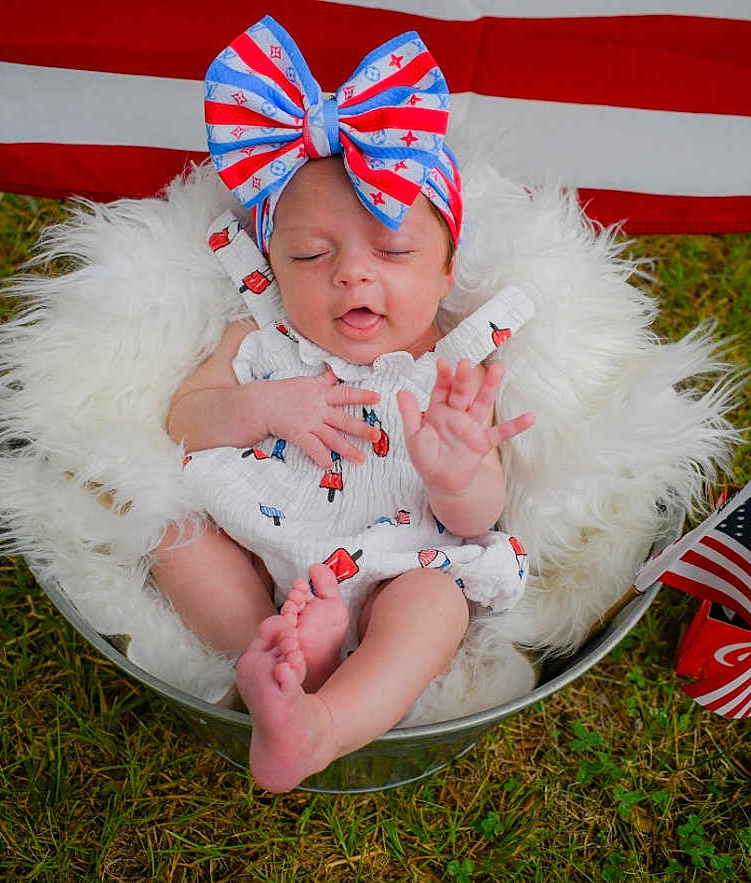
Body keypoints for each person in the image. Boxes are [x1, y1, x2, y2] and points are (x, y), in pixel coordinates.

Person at [151, 16, 535, 792]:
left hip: (397, 564)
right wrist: (261, 405)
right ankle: (274, 659)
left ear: (444, 272)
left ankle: (324, 722)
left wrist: (457, 474)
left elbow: (478, 516)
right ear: (271, 263)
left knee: (436, 603)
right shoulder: (261, 335)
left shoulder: (455, 365)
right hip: (261, 548)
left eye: (391, 251)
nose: (352, 275)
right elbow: (184, 421)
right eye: (310, 254)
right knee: (171, 534)